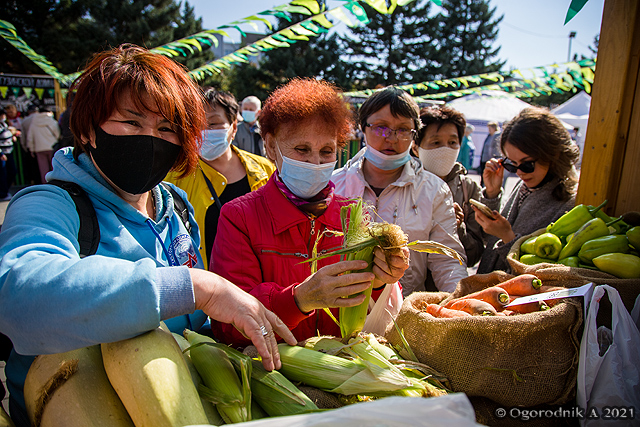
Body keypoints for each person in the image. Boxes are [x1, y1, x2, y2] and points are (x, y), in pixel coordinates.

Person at [0, 44, 294, 427]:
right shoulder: (50, 205)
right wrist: (192, 285)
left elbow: (193, 325)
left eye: (166, 128)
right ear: (90, 128)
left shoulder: (177, 206)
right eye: (132, 122)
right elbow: (18, 295)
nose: (150, 139)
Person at [210, 78, 409, 346]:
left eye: (326, 151)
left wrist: (380, 281)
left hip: (339, 372)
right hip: (273, 375)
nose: (315, 162)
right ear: (271, 146)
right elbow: (227, 327)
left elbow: (365, 313)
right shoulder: (239, 217)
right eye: (302, 149)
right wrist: (299, 300)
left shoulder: (352, 214)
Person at [332, 86, 467, 296]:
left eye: (403, 130)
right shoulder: (334, 185)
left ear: (414, 134)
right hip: (338, 307)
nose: (392, 138)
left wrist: (459, 302)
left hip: (405, 313)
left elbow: (447, 260)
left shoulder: (434, 190)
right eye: (380, 127)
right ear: (363, 127)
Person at [166, 88, 275, 269]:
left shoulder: (265, 170)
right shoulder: (176, 176)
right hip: (205, 290)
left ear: (233, 127)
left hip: (256, 286)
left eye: (213, 123)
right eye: (196, 125)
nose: (203, 132)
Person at [474, 107, 580, 274]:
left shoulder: (570, 203)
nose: (519, 172)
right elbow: (490, 238)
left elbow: (543, 273)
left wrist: (507, 237)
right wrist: (492, 194)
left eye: (526, 164)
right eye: (511, 164)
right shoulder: (525, 185)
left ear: (552, 154)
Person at [414, 105, 484, 269]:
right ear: (416, 148)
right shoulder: (400, 185)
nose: (445, 149)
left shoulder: (469, 189)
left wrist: (458, 228)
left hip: (447, 290)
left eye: (452, 142)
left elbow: (474, 256)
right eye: (436, 142)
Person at [26, 106, 60, 183]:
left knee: (43, 169)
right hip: (52, 147)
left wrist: (31, 148)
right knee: (54, 167)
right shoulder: (52, 121)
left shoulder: (34, 122)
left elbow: (30, 137)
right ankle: (56, 184)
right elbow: (57, 134)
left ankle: (46, 186)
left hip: (39, 148)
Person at [0, 110, 17, 201]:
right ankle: (3, 193)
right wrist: (1, 153)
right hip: (2, 154)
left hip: (9, 152)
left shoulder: (4, 124)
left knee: (12, 171)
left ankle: (4, 190)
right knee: (3, 174)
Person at [479, 121, 501, 185]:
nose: (489, 130)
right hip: (484, 159)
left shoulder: (497, 136)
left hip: (491, 160)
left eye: (490, 128)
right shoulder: (488, 136)